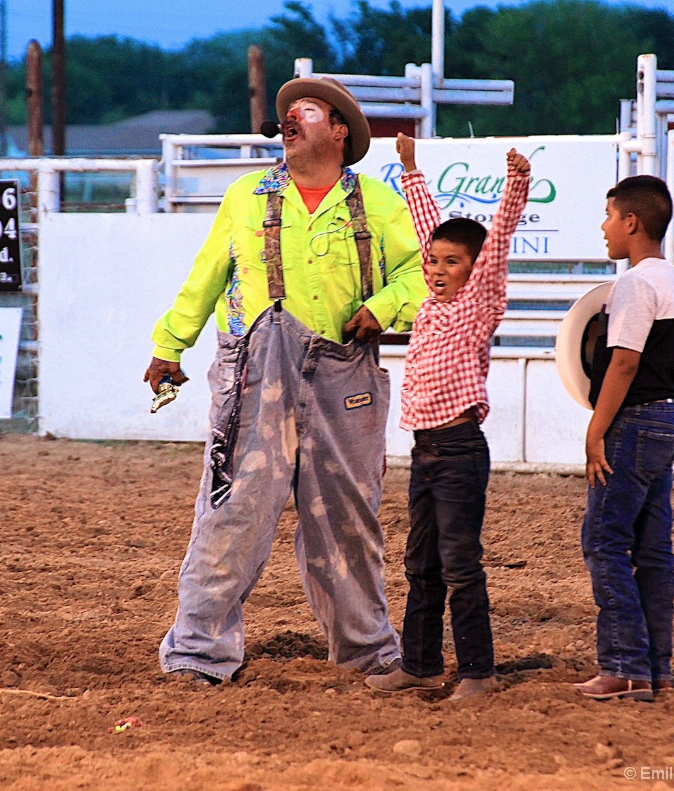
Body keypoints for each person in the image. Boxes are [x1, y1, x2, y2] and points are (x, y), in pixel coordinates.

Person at [147, 77, 427, 685]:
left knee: (348, 517)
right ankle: (197, 651)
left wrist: (382, 309)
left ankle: (367, 649)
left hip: (343, 373)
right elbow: (207, 276)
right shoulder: (248, 195)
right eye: (285, 115)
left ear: (339, 130)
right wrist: (169, 346)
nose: (287, 121)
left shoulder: (377, 204)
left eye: (303, 111)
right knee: (231, 513)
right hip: (254, 372)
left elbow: (420, 274)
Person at [366, 134, 530, 700]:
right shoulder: (432, 305)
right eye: (433, 261)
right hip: (426, 450)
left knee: (459, 563)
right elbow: (424, 222)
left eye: (450, 262)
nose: (436, 268)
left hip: (459, 449)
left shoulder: (479, 301)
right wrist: (410, 168)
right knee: (421, 560)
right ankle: (419, 663)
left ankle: (478, 674)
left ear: (474, 270)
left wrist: (516, 185)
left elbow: (500, 240)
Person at [573, 175, 674, 702]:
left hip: (634, 422)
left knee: (604, 541)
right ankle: (655, 667)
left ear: (631, 223)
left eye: (608, 216)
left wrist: (596, 430)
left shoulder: (634, 283)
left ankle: (623, 665)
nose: (604, 227)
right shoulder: (673, 281)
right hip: (668, 419)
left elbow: (622, 362)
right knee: (653, 549)